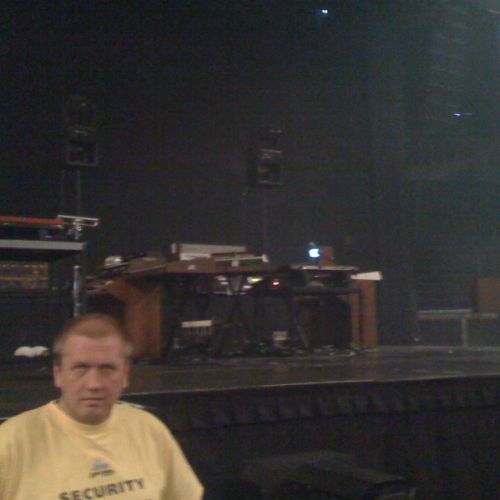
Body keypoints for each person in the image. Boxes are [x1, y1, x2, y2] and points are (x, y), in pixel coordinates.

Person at [0, 313, 204, 500]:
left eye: (107, 368)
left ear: (125, 375)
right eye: (80, 368)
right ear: (58, 374)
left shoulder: (150, 431)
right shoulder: (10, 443)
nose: (94, 384)